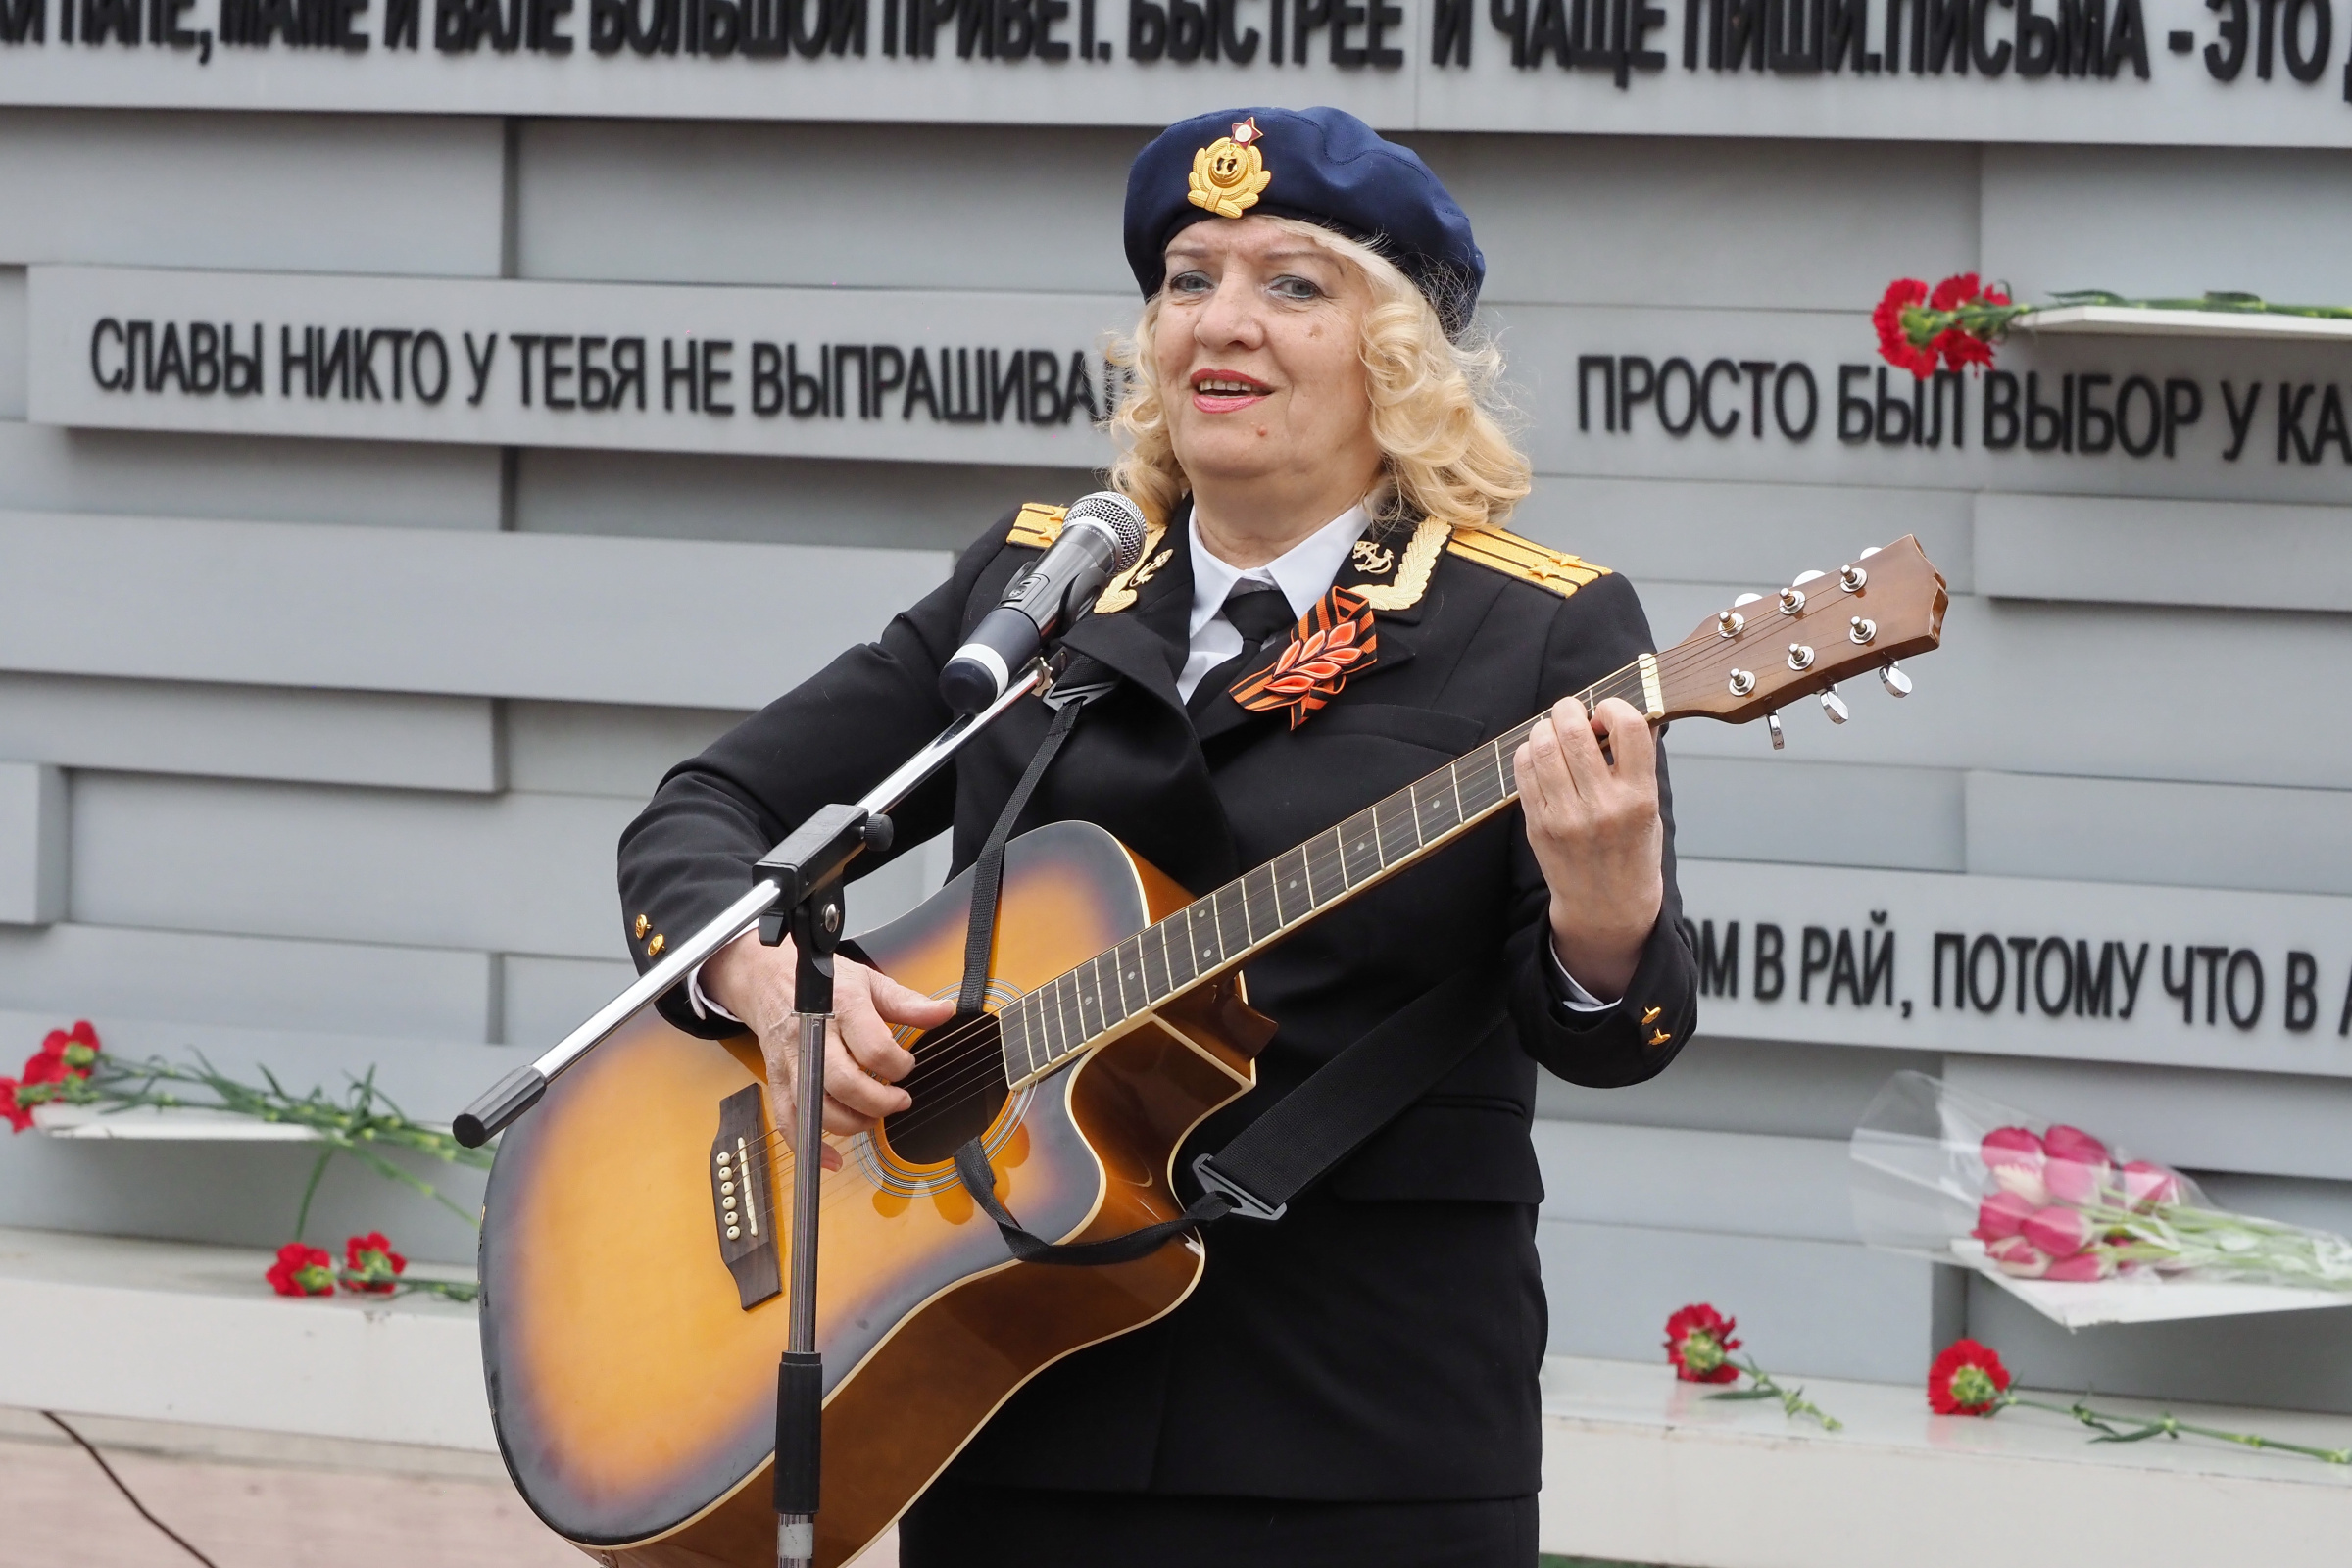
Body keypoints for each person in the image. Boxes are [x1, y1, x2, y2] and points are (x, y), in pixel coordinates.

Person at [617, 105, 1698, 1568]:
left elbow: (1612, 1033)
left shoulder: (1534, 628)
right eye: (1189, 279)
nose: (1220, 321)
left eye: (1292, 284)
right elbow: (705, 809)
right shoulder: (1036, 599)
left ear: (1397, 356)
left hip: (1358, 1421)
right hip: (1002, 1387)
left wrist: (1608, 914)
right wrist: (766, 987)